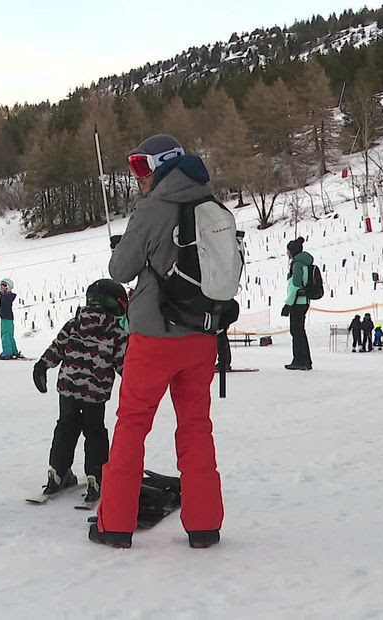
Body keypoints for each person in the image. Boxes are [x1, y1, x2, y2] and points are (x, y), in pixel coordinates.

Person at [93, 134, 224, 550]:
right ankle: (204, 526)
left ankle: (115, 524)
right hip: (201, 333)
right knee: (196, 427)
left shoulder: (153, 209)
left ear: (163, 165)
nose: (140, 178)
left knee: (132, 425)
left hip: (154, 335)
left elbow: (120, 268)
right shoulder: (213, 207)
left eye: (142, 168)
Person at [31, 279, 128, 504]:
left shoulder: (74, 324)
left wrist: (42, 366)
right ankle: (96, 475)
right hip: (95, 392)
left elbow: (56, 348)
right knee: (94, 431)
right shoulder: (116, 331)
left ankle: (58, 471)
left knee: (65, 427)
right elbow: (125, 365)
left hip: (67, 389)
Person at [282, 236, 314, 370]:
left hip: (297, 302)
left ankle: (299, 360)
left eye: (288, 250)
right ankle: (305, 360)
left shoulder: (297, 264)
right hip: (304, 301)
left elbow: (295, 285)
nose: (287, 253)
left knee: (296, 332)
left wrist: (287, 304)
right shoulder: (305, 262)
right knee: (300, 331)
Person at [0, 278, 21, 359]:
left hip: (6, 318)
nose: (1, 286)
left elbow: (5, 308)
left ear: (8, 287)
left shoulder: (6, 296)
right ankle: (14, 351)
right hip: (8, 318)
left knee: (5, 335)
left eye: (4, 285)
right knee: (9, 335)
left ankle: (7, 352)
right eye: (1, 284)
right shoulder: (6, 296)